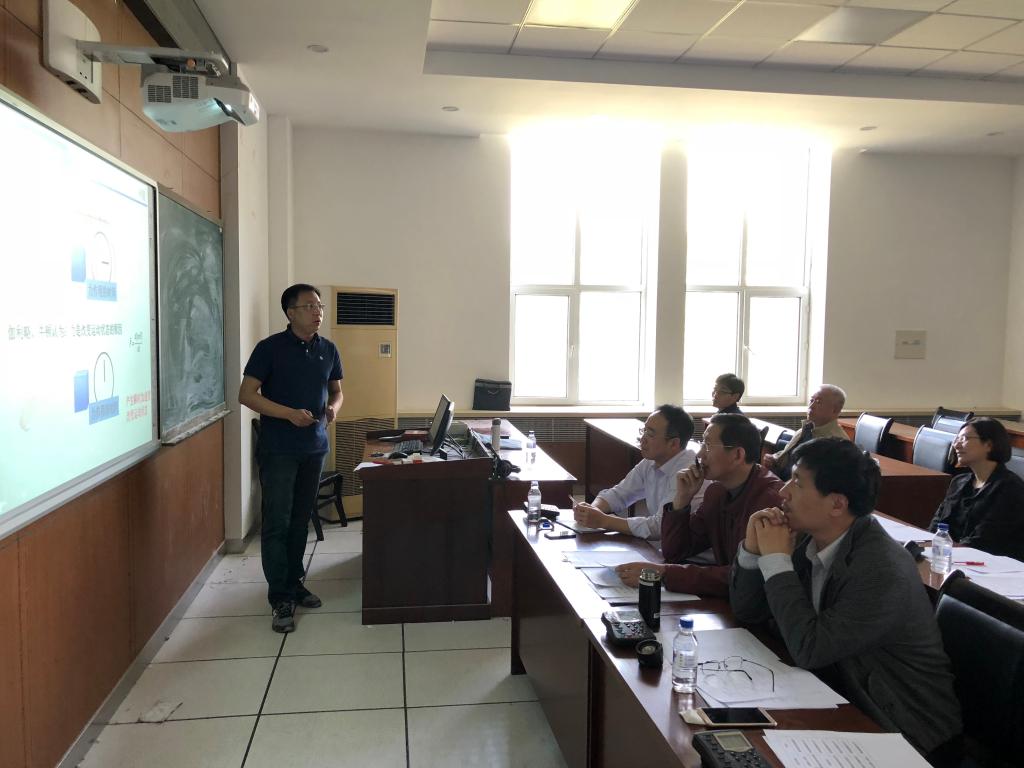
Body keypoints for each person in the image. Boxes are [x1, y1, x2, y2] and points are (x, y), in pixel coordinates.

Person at [731, 438, 962, 761]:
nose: (783, 492)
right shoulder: (809, 538)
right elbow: (747, 611)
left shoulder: (881, 570)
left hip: (902, 727)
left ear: (837, 505)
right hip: (836, 693)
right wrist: (754, 551)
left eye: (797, 483)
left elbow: (811, 649)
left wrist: (776, 562)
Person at [239, 284, 344, 633]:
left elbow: (337, 390)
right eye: (310, 306)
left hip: (314, 448)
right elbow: (246, 394)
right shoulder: (269, 349)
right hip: (279, 450)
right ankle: (280, 597)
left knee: (300, 520)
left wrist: (334, 408)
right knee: (278, 523)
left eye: (320, 306)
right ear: (290, 312)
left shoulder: (328, 349)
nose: (318, 312)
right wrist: (287, 414)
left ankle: (294, 582)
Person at [615, 414, 782, 597]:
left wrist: (664, 573)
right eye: (702, 444)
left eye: (708, 446)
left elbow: (743, 578)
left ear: (737, 455)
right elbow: (675, 552)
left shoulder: (769, 502)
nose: (700, 455)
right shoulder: (717, 492)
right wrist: (681, 501)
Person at [572, 405, 706, 540]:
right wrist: (592, 510)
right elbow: (619, 493)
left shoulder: (689, 473)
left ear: (673, 444)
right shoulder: (650, 462)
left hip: (686, 551)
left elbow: (659, 526)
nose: (642, 439)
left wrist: (605, 521)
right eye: (644, 430)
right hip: (666, 545)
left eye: (650, 434)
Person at [929, 417, 1024, 560]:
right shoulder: (959, 482)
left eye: (964, 439)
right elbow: (937, 525)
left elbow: (984, 541)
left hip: (989, 564)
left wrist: (944, 551)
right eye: (957, 439)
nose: (956, 445)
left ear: (989, 445)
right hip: (951, 557)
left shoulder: (1010, 488)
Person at [763, 384, 849, 479]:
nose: (811, 406)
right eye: (811, 400)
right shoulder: (806, 428)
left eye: (818, 402)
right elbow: (788, 455)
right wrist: (774, 458)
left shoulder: (836, 443)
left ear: (835, 410)